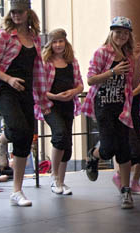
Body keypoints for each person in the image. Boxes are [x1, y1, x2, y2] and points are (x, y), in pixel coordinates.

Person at [0, 0, 52, 206]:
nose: (16, 15)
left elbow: (38, 69)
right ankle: (2, 139)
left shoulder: (35, 38)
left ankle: (17, 190)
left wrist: (42, 98)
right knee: (17, 128)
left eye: (20, 12)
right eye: (13, 12)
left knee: (25, 139)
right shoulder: (5, 35)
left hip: (26, 91)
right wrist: (9, 79)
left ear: (28, 13)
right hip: (5, 88)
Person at [82, 16, 135, 209]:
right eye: (118, 32)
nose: (121, 36)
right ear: (111, 33)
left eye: (125, 33)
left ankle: (126, 190)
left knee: (124, 149)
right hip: (103, 104)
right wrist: (113, 72)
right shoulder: (102, 52)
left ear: (129, 35)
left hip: (122, 106)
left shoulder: (129, 56)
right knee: (108, 148)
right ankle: (94, 155)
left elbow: (128, 84)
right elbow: (90, 80)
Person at [40, 28, 84, 195]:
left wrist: (73, 92)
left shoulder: (72, 62)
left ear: (65, 43)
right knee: (59, 135)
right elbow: (39, 89)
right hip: (50, 105)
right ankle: (54, 177)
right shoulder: (45, 63)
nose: (58, 45)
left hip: (68, 104)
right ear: (50, 44)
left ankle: (61, 180)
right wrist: (56, 97)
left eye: (61, 41)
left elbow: (80, 84)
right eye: (55, 42)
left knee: (67, 142)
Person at [112, 42, 140, 195]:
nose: (137, 50)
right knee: (134, 151)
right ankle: (121, 177)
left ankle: (134, 182)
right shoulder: (123, 65)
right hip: (125, 113)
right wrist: (137, 91)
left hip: (135, 112)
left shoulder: (137, 63)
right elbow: (124, 94)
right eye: (134, 49)